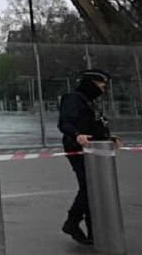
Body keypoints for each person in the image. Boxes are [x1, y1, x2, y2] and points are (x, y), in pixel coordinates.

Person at [57, 68, 120, 246]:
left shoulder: (89, 102)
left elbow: (94, 125)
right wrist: (77, 135)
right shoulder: (73, 98)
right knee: (89, 186)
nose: (103, 88)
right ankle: (73, 221)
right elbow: (65, 122)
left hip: (94, 148)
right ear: (90, 83)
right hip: (79, 148)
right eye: (100, 84)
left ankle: (94, 230)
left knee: (95, 187)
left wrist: (108, 138)